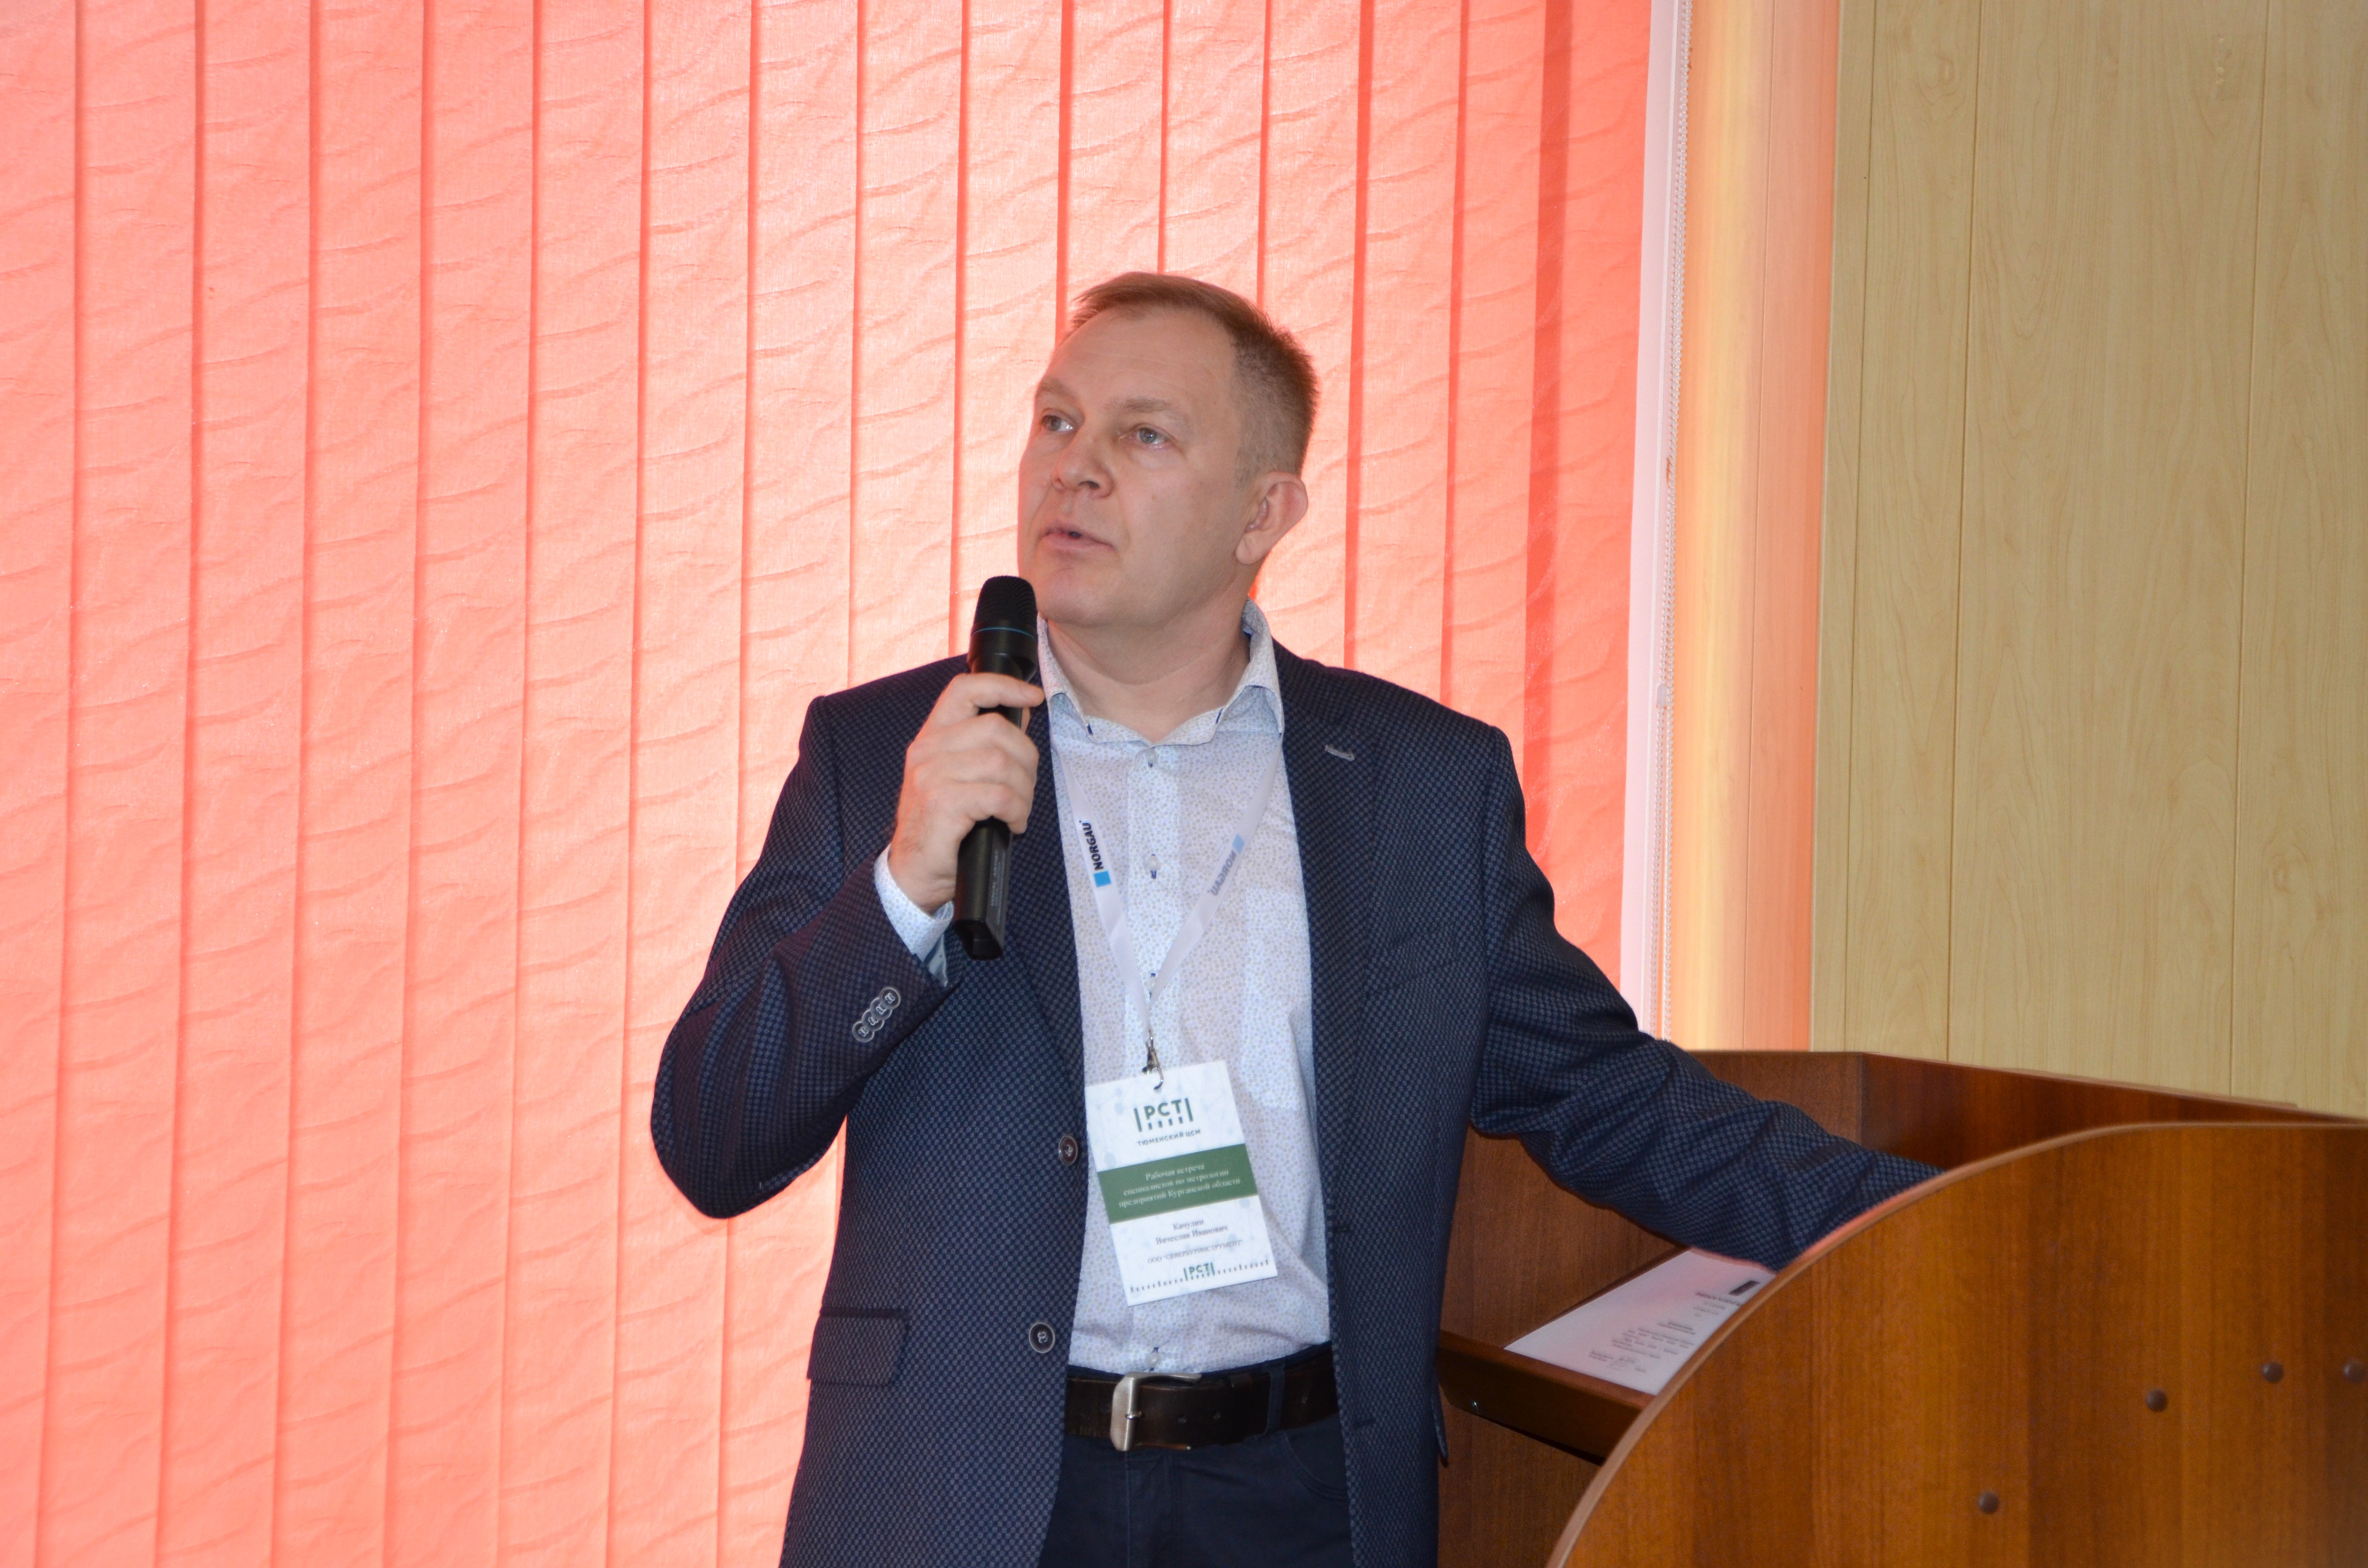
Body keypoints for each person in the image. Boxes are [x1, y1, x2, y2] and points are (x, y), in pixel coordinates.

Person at [652, 272, 1936, 1568]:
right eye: (1056, 420)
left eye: (1144, 435)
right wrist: (901, 892)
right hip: (964, 1494)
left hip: (1299, 1495)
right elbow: (714, 1138)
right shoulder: (887, 753)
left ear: (1264, 513)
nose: (1074, 468)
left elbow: (1616, 1101)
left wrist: (1943, 1221)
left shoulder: (1420, 787)